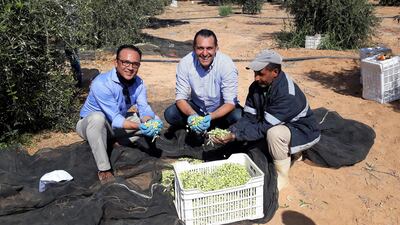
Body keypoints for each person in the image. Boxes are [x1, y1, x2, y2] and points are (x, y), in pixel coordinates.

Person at [211, 49, 321, 190]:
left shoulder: (287, 94)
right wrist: (232, 130)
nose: (256, 78)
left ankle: (282, 175)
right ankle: (293, 152)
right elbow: (249, 117)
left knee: (273, 134)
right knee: (258, 136)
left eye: (260, 74)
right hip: (281, 124)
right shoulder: (256, 87)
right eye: (255, 73)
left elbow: (265, 127)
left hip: (301, 130)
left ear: (275, 72)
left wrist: (234, 136)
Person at [76, 44, 163, 183]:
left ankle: (114, 141)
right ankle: (104, 169)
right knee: (98, 118)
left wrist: (148, 122)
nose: (130, 67)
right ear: (116, 63)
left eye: (135, 64)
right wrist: (140, 127)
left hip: (114, 124)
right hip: (90, 124)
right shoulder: (102, 83)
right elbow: (115, 118)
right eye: (126, 62)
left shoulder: (138, 83)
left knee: (155, 119)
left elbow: (144, 108)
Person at [164, 29, 242, 136]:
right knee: (170, 114)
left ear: (216, 48)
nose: (205, 53)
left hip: (221, 110)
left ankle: (215, 126)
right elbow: (180, 98)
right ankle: (196, 127)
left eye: (209, 48)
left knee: (238, 116)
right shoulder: (185, 63)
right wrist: (193, 116)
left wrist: (211, 117)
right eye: (200, 48)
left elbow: (230, 103)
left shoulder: (227, 65)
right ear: (194, 48)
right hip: (197, 108)